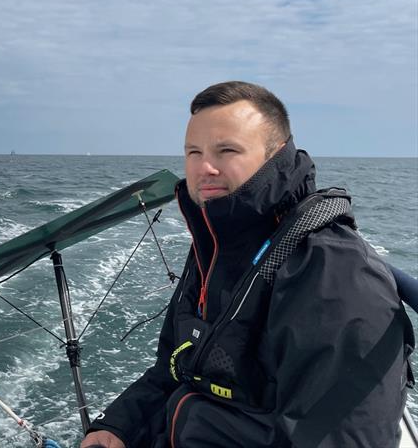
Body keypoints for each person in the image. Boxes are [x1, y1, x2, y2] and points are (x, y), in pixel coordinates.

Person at [81, 81, 414, 448]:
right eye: (193, 152)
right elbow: (174, 367)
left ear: (276, 156)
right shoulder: (215, 245)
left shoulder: (335, 276)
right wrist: (118, 427)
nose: (204, 167)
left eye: (227, 150)